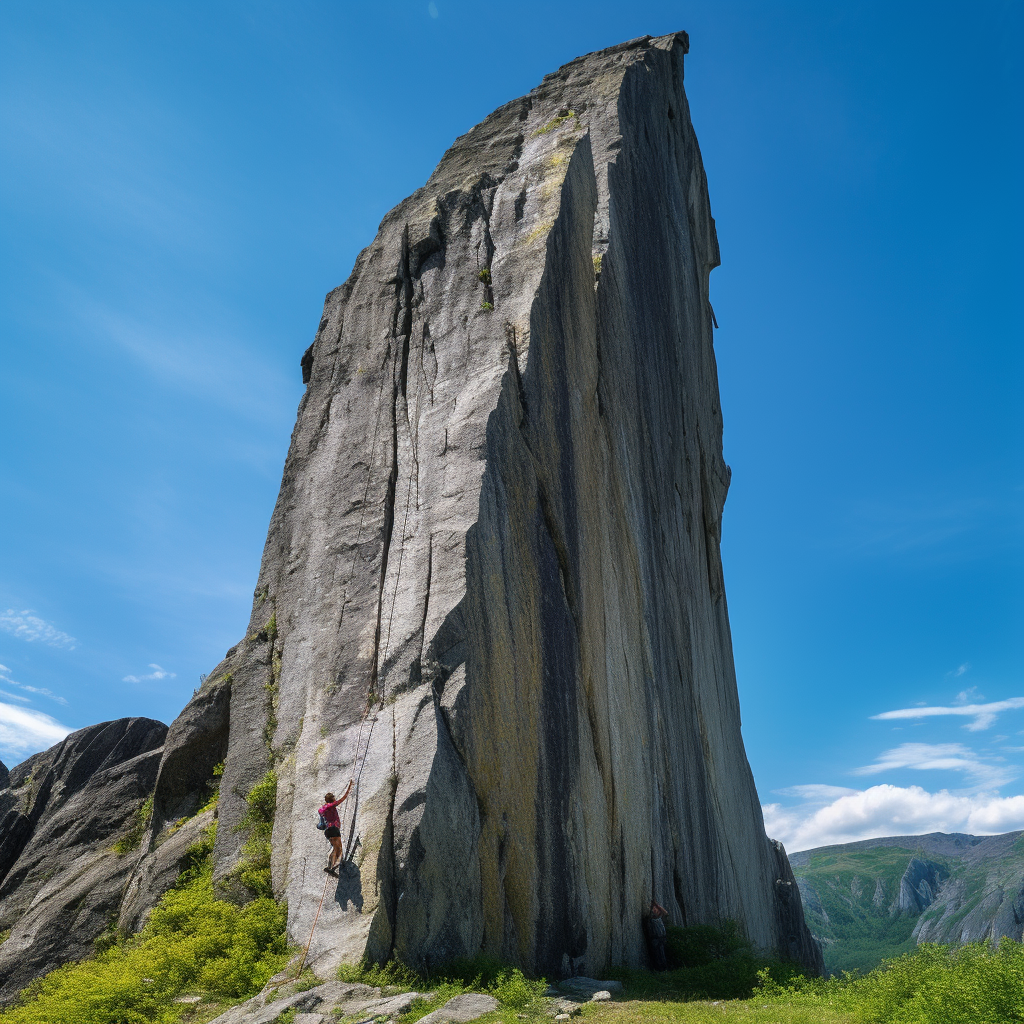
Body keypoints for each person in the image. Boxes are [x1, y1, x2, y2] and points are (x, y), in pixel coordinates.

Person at [319, 780, 354, 875]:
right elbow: (343, 798)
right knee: (338, 849)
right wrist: (349, 787)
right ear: (332, 799)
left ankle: (330, 867)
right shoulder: (331, 805)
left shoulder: (322, 809)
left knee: (335, 848)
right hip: (334, 829)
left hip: (327, 831)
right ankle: (333, 867)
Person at [644, 900, 669, 970]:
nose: (655, 911)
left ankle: (663, 970)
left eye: (656, 909)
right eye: (654, 909)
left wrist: (658, 907)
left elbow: (666, 914)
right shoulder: (650, 920)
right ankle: (660, 970)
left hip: (661, 940)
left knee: (662, 956)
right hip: (655, 941)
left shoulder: (659, 919)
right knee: (658, 957)